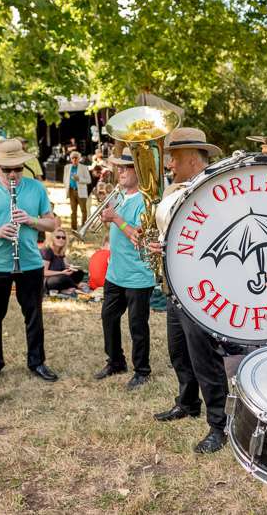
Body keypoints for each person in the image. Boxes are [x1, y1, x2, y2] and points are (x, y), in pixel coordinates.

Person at [149, 127, 229, 453]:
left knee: (203, 357)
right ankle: (187, 402)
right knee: (178, 350)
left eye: (175, 158)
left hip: (199, 287)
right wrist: (161, 246)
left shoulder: (214, 190)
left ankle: (218, 424)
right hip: (173, 283)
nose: (169, 164)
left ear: (193, 159)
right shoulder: (174, 189)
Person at [0, 138, 59, 388]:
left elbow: (52, 223)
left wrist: (31, 220)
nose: (13, 174)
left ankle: (36, 361)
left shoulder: (35, 188)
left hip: (29, 262)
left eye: (17, 168)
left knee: (33, 314)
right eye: (7, 170)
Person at [94, 147, 154, 390]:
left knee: (137, 325)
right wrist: (106, 215)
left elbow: (139, 237)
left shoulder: (146, 201)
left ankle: (142, 370)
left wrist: (116, 218)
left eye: (127, 167)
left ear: (138, 170)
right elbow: (108, 225)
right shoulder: (117, 195)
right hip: (115, 272)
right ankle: (115, 361)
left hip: (138, 274)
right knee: (108, 317)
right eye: (119, 166)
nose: (121, 171)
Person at [41, 227, 85, 294]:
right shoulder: (47, 251)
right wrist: (62, 273)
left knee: (79, 272)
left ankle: (65, 288)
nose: (61, 239)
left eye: (63, 238)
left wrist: (71, 267)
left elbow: (65, 265)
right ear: (52, 238)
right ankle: (76, 286)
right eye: (58, 237)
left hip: (59, 275)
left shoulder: (61, 251)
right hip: (46, 280)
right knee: (63, 278)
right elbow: (44, 272)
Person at [63, 151, 92, 230]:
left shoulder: (83, 167)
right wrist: (67, 188)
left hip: (81, 192)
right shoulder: (67, 167)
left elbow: (89, 180)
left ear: (79, 159)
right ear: (71, 159)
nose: (74, 159)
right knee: (73, 211)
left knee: (83, 210)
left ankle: (83, 227)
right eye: (73, 158)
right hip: (71, 191)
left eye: (76, 158)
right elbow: (65, 179)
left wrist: (79, 179)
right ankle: (74, 228)